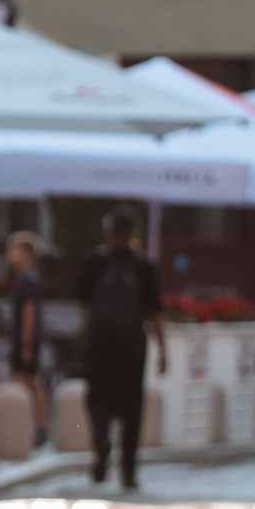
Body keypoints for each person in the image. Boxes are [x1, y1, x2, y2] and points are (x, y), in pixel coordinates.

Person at [76, 207, 167, 493]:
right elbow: (155, 313)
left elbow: (83, 305)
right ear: (132, 233)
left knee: (97, 399)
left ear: (108, 231)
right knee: (132, 409)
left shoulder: (94, 263)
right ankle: (128, 472)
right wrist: (164, 350)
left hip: (101, 343)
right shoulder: (143, 266)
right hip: (132, 345)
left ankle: (101, 442)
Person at [0, 229, 50, 439]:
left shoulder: (28, 280)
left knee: (23, 381)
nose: (10, 254)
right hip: (24, 339)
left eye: (14, 250)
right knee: (32, 381)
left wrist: (27, 342)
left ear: (26, 253)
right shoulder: (24, 279)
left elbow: (29, 311)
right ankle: (40, 425)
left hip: (25, 340)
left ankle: (20, 428)